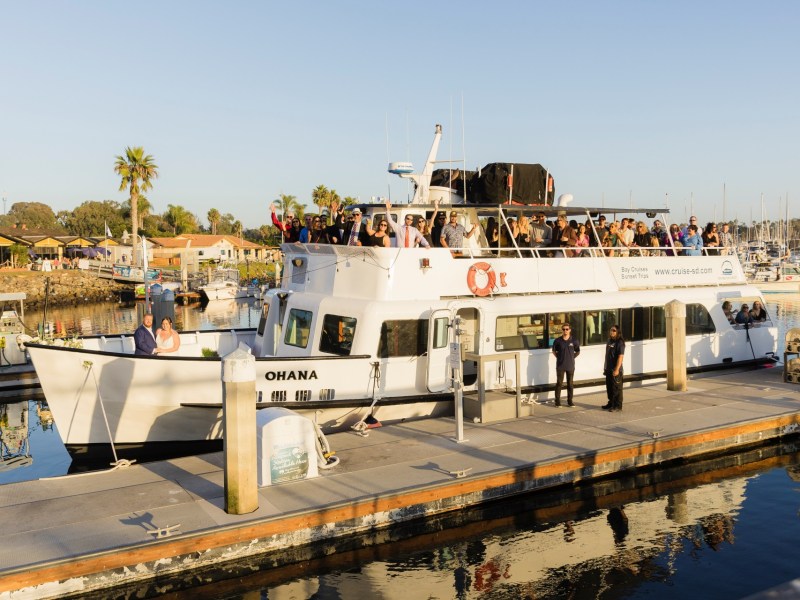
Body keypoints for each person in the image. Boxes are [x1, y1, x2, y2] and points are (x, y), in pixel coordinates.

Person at [552, 323, 580, 407]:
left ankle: (570, 401)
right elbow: (554, 351)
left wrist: (571, 357)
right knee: (559, 384)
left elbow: (578, 351)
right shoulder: (557, 341)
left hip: (570, 366)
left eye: (567, 329)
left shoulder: (574, 340)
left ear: (570, 330)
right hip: (560, 366)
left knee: (570, 384)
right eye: (563, 329)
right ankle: (557, 402)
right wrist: (559, 358)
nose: (565, 331)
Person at [602, 325, 625, 411]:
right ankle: (611, 403)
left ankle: (617, 406)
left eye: (614, 330)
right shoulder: (609, 341)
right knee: (609, 388)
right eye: (611, 330)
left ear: (618, 332)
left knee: (616, 389)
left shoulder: (620, 342)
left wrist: (617, 369)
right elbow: (607, 356)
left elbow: (620, 357)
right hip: (608, 368)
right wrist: (605, 368)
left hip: (616, 370)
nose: (612, 332)